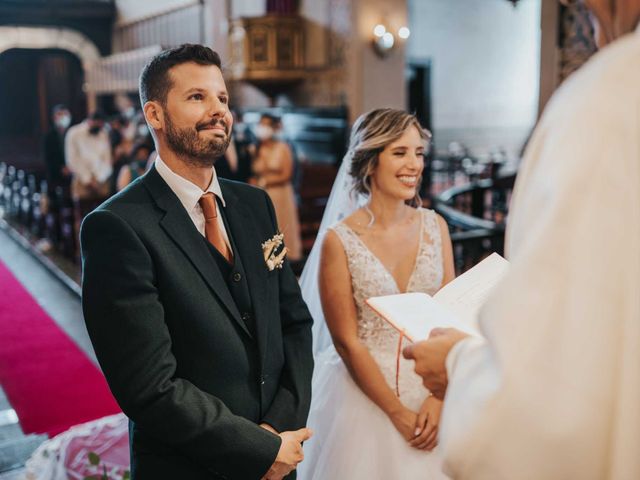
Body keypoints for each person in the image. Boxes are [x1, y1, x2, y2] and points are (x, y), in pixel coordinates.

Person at [403, 1, 640, 478]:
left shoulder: (610, 101)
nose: (594, 35)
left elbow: (548, 412)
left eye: (591, 14)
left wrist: (460, 368)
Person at [80, 44, 314, 480]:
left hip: (282, 457)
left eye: (223, 98)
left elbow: (295, 325)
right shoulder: (117, 226)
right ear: (154, 114)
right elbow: (150, 386)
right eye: (196, 97)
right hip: (190, 467)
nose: (218, 110)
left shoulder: (255, 204)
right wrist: (255, 448)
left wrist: (277, 431)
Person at [297, 109, 455, 479]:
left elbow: (450, 316)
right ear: (371, 161)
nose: (414, 164)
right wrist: (398, 414)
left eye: (418, 153)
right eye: (400, 153)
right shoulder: (340, 240)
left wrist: (440, 397)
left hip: (434, 386)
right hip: (363, 398)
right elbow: (347, 341)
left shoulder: (436, 226)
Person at [249, 114, 303, 262]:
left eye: (266, 125)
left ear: (273, 128)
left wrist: (263, 181)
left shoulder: (283, 147)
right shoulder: (255, 148)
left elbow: (287, 174)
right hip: (262, 194)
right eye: (261, 124)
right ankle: (268, 258)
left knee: (281, 226)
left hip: (280, 194)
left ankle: (286, 260)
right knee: (265, 229)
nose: (262, 128)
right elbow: (253, 172)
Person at [65, 111, 112, 220]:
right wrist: (88, 180)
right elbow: (72, 160)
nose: (100, 128)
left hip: (101, 181)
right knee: (82, 217)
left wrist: (99, 179)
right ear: (91, 121)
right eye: (98, 125)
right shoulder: (74, 133)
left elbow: (107, 160)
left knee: (103, 218)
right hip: (82, 181)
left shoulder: (103, 133)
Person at [43, 104, 72, 190]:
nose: (63, 117)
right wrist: (61, 168)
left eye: (65, 114)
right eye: (60, 114)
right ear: (54, 117)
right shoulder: (48, 136)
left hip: (73, 173)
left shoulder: (73, 133)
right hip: (56, 175)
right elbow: (48, 157)